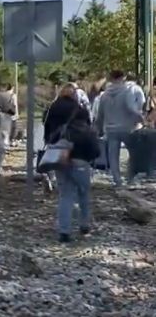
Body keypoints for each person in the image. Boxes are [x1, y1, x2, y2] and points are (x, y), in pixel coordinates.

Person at [43, 83, 99, 242]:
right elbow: (93, 144)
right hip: (80, 159)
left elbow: (47, 130)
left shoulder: (52, 108)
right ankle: (84, 225)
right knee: (83, 193)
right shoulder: (81, 114)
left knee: (65, 195)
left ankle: (64, 231)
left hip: (60, 157)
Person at [96, 70, 144, 187]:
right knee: (134, 153)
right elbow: (132, 107)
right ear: (124, 77)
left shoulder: (105, 94)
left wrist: (99, 129)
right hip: (128, 127)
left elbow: (100, 114)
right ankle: (130, 178)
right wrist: (140, 118)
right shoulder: (129, 90)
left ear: (111, 78)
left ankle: (117, 180)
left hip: (111, 128)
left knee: (113, 155)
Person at [0, 83, 18, 149]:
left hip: (3, 114)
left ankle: (3, 143)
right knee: (12, 129)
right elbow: (15, 105)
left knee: (3, 130)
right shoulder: (13, 95)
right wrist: (17, 114)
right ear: (12, 87)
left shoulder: (2, 95)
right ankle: (10, 142)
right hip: (11, 114)